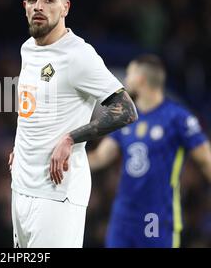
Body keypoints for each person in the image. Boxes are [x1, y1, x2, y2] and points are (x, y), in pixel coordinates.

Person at [7, 0, 138, 248]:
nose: (39, 6)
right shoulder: (28, 49)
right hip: (21, 187)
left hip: (58, 194)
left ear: (65, 7)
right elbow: (35, 106)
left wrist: (71, 138)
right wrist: (23, 146)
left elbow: (126, 109)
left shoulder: (79, 55)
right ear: (24, 6)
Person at [88, 54, 211, 248]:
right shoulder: (125, 117)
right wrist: (66, 163)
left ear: (140, 79)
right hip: (123, 215)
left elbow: (206, 160)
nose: (125, 80)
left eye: (129, 74)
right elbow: (101, 156)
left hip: (157, 215)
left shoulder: (177, 117)